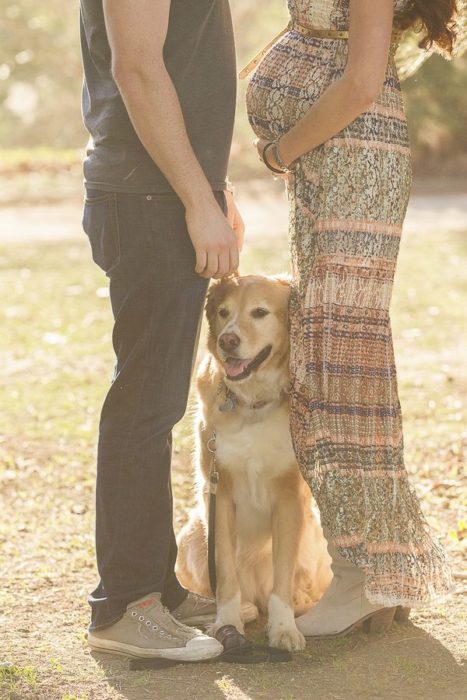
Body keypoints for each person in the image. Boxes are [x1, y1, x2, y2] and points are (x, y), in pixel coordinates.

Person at [246, 0, 456, 637]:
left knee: (337, 370)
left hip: (351, 166)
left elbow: (362, 81)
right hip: (330, 166)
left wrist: (282, 149)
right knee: (333, 361)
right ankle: (377, 572)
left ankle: (363, 573)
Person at [79, 0, 244, 661]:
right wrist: (195, 199)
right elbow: (138, 68)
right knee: (145, 404)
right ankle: (124, 606)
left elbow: (179, 64)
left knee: (158, 403)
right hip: (148, 198)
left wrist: (210, 188)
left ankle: (156, 589)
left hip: (163, 192)